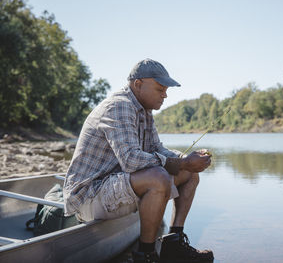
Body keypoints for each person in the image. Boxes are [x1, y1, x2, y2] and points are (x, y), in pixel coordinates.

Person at [63, 59, 214, 263]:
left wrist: (187, 160)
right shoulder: (119, 106)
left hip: (116, 184)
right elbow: (131, 160)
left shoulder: (144, 110)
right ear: (138, 84)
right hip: (87, 195)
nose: (165, 94)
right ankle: (145, 256)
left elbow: (156, 149)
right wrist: (182, 163)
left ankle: (173, 245)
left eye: (166, 89)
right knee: (158, 177)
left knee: (189, 173)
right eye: (160, 88)